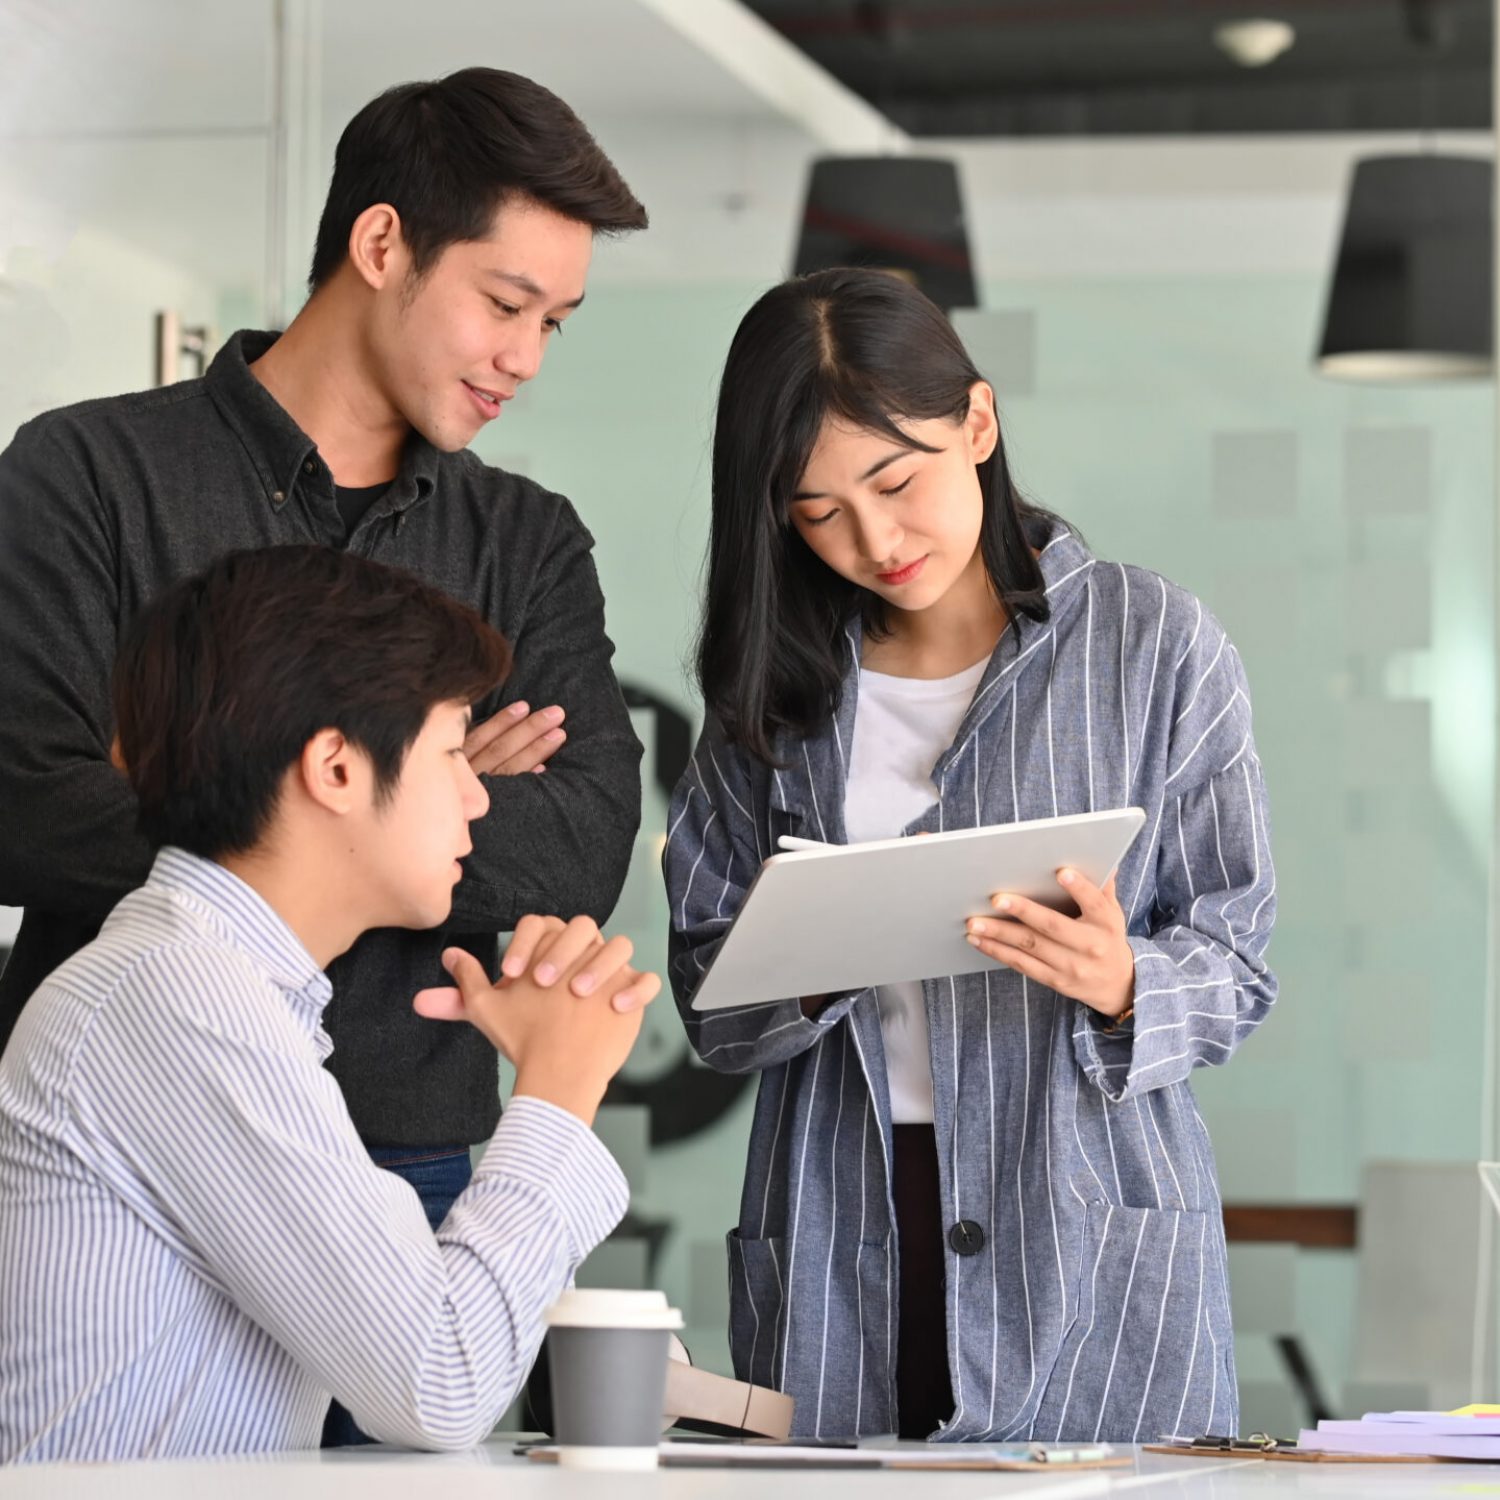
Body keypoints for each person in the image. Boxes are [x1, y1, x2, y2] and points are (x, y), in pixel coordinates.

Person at [0, 68, 648, 1242]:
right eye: (505, 304)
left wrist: (194, 780)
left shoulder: (523, 539)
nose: (528, 359)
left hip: (410, 1165)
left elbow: (586, 845)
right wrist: (417, 811)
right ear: (384, 242)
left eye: (552, 322)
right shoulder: (85, 477)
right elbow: (26, 811)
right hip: (114, 1147)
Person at [663, 268, 1277, 1443]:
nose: (874, 539)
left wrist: (1126, 981)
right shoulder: (774, 693)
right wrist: (812, 954)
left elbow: (1238, 966)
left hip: (1086, 1226)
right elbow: (709, 997)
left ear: (978, 425)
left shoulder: (1156, 646)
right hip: (845, 1217)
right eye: (816, 511)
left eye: (896, 481)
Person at [0, 545, 659, 1465]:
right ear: (336, 770)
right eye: (451, 754)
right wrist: (557, 1086)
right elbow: (441, 1379)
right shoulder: (179, 998)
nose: (479, 798)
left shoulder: (229, 990)